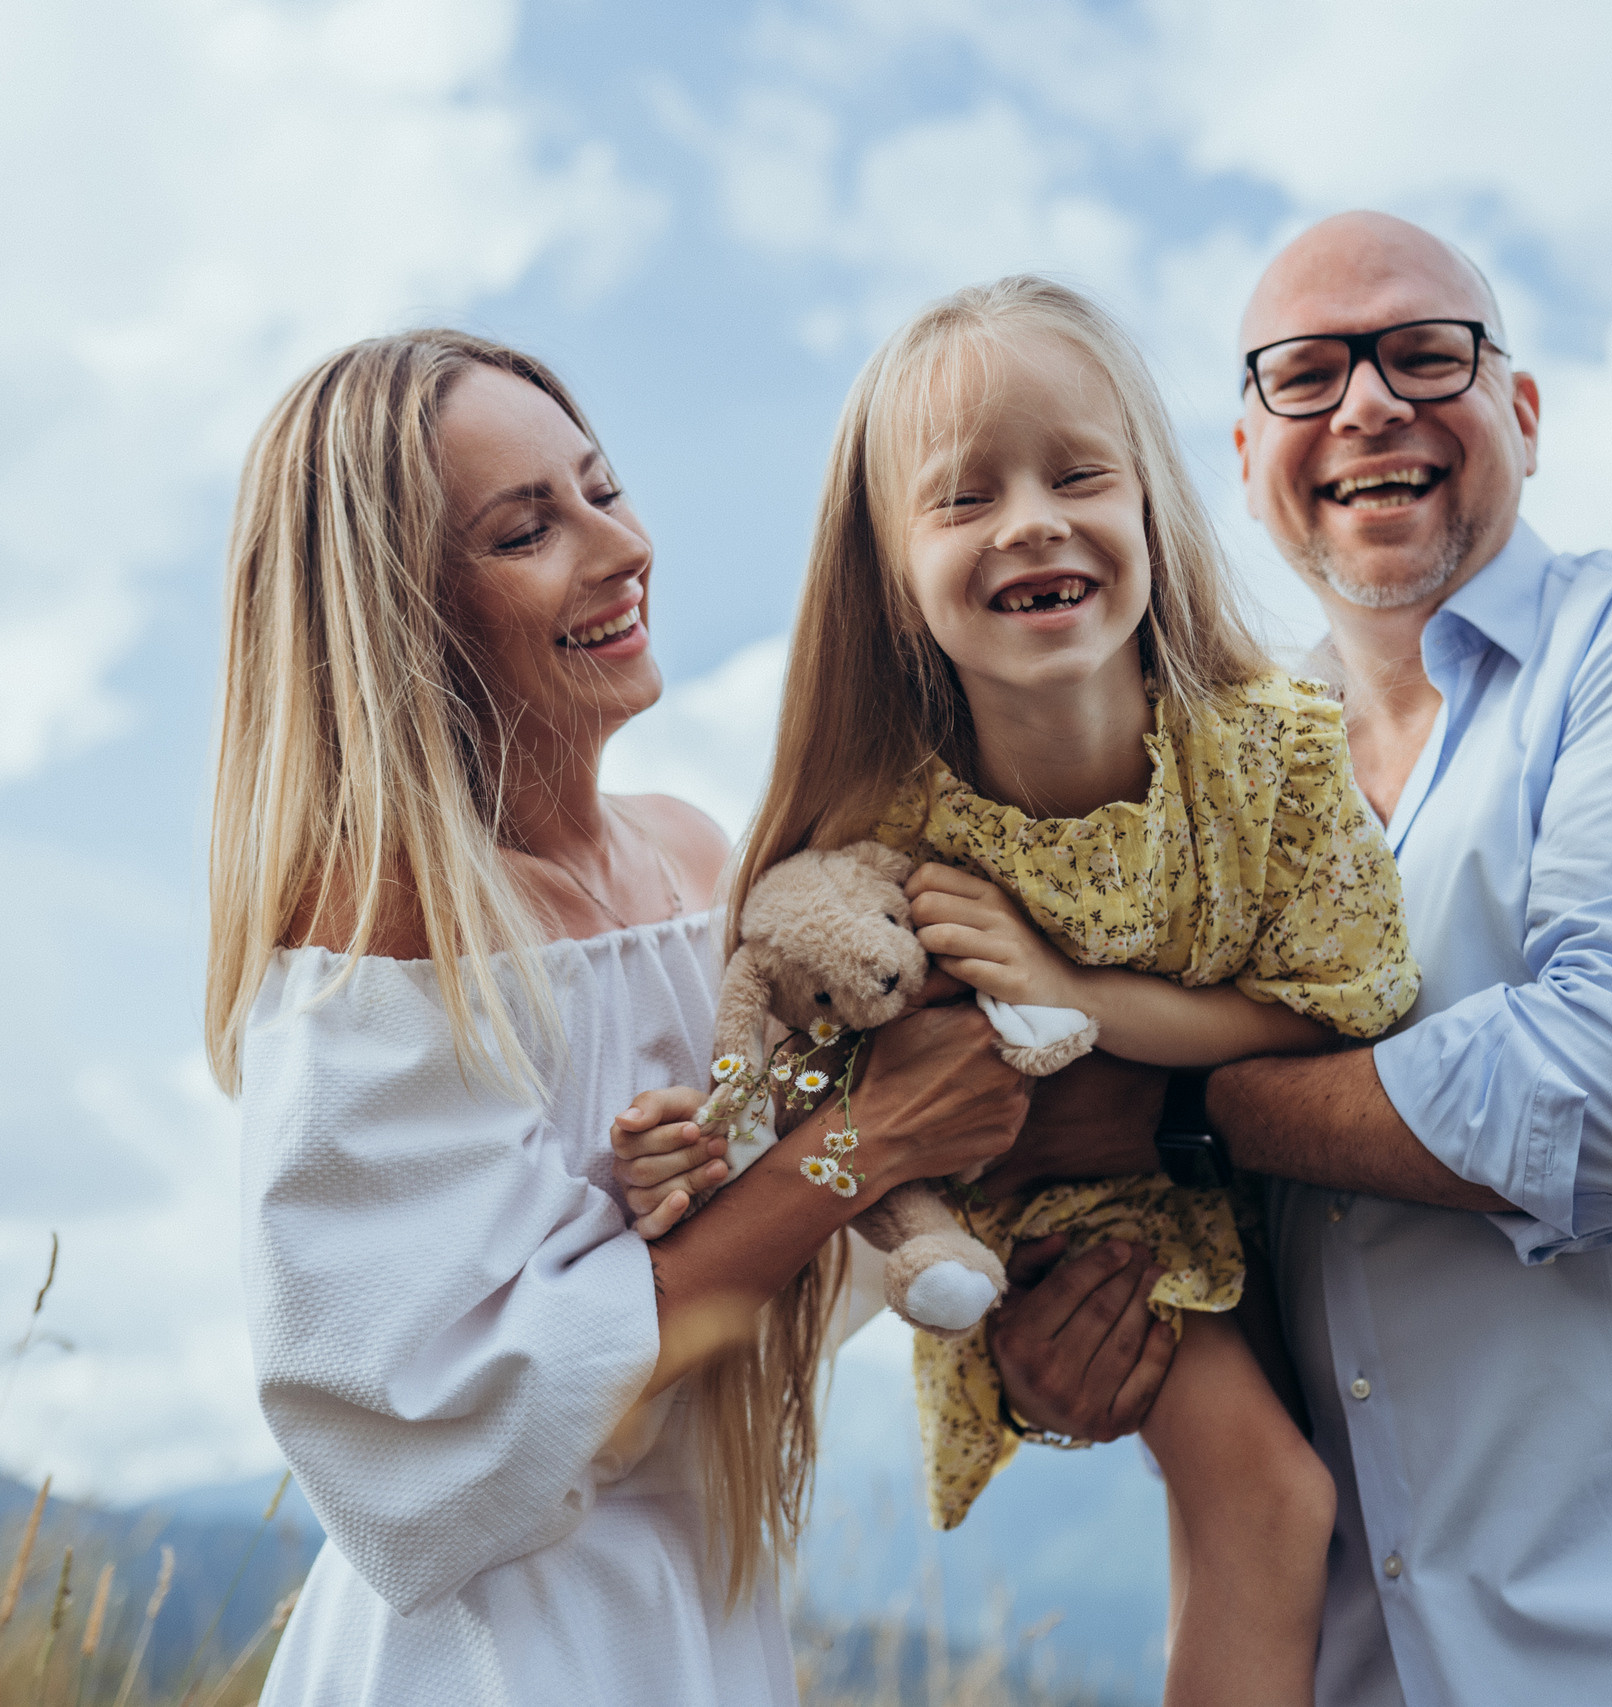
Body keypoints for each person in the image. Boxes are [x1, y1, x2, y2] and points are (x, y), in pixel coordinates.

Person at [984, 212, 1612, 1706]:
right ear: (1243, 452)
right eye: (1306, 374)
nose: (1367, 405)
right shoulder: (1218, 806)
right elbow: (1215, 1265)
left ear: (1522, 416)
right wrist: (1089, 1358)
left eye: (1425, 354)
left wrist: (1171, 1107)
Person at [616, 275, 1419, 1707]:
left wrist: (1073, 992)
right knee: (1270, 1502)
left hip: (1276, 1174)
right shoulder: (895, 833)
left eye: (1077, 473)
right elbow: (822, 1070)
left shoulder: (1275, 755)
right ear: (891, 582)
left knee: (1352, 1505)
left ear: (1156, 512)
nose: (1032, 519)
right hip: (1052, 1223)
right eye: (963, 498)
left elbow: (1335, 1004)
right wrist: (704, 1142)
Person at [204, 329, 1027, 1705]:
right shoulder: (387, 932)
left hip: (700, 1614)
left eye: (602, 488)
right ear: (397, 613)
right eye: (527, 529)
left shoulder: (700, 862)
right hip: (494, 1655)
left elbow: (773, 1284)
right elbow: (431, 1446)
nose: (617, 546)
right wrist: (862, 1151)